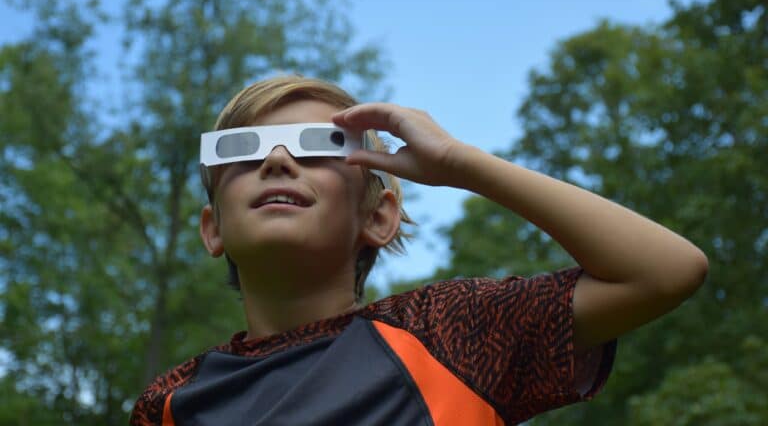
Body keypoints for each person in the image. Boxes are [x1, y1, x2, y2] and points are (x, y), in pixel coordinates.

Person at [130, 75, 708, 425]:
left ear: (378, 218)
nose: (277, 161)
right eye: (244, 152)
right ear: (213, 230)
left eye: (317, 147)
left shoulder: (454, 334)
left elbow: (666, 270)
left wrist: (461, 164)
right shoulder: (171, 402)